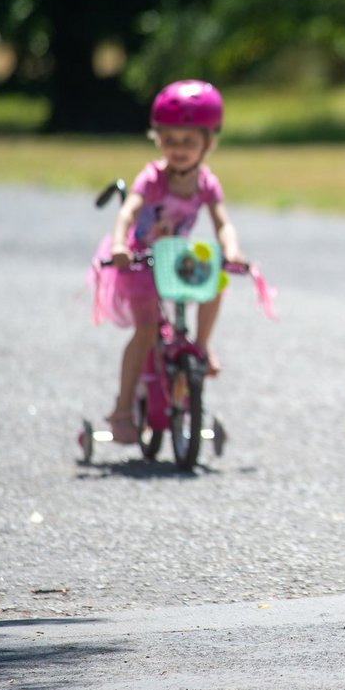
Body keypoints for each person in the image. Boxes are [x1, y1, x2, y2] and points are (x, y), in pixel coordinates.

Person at [91, 79, 244, 444]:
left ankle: (201, 348)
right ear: (157, 138)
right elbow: (128, 214)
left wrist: (232, 251)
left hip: (175, 259)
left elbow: (223, 223)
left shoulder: (206, 183)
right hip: (140, 261)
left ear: (208, 143)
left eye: (188, 141)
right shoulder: (152, 178)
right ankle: (124, 408)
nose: (178, 149)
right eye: (169, 140)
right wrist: (118, 245)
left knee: (215, 282)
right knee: (146, 331)